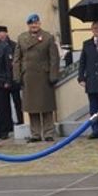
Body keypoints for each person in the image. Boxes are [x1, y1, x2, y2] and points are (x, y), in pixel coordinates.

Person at [13, 14, 60, 142]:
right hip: (28, 76)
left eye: (36, 23)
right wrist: (17, 75)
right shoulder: (22, 38)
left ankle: (49, 132)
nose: (34, 26)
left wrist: (53, 75)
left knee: (46, 106)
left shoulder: (47, 37)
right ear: (28, 25)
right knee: (32, 107)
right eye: (31, 24)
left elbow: (54, 58)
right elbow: (17, 59)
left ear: (40, 24)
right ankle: (35, 134)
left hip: (43, 76)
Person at [0, 25, 23, 127]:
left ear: (6, 33)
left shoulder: (14, 45)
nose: (0, 35)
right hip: (2, 80)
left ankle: (21, 121)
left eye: (2, 33)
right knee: (4, 105)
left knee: (18, 102)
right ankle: (8, 124)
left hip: (14, 78)